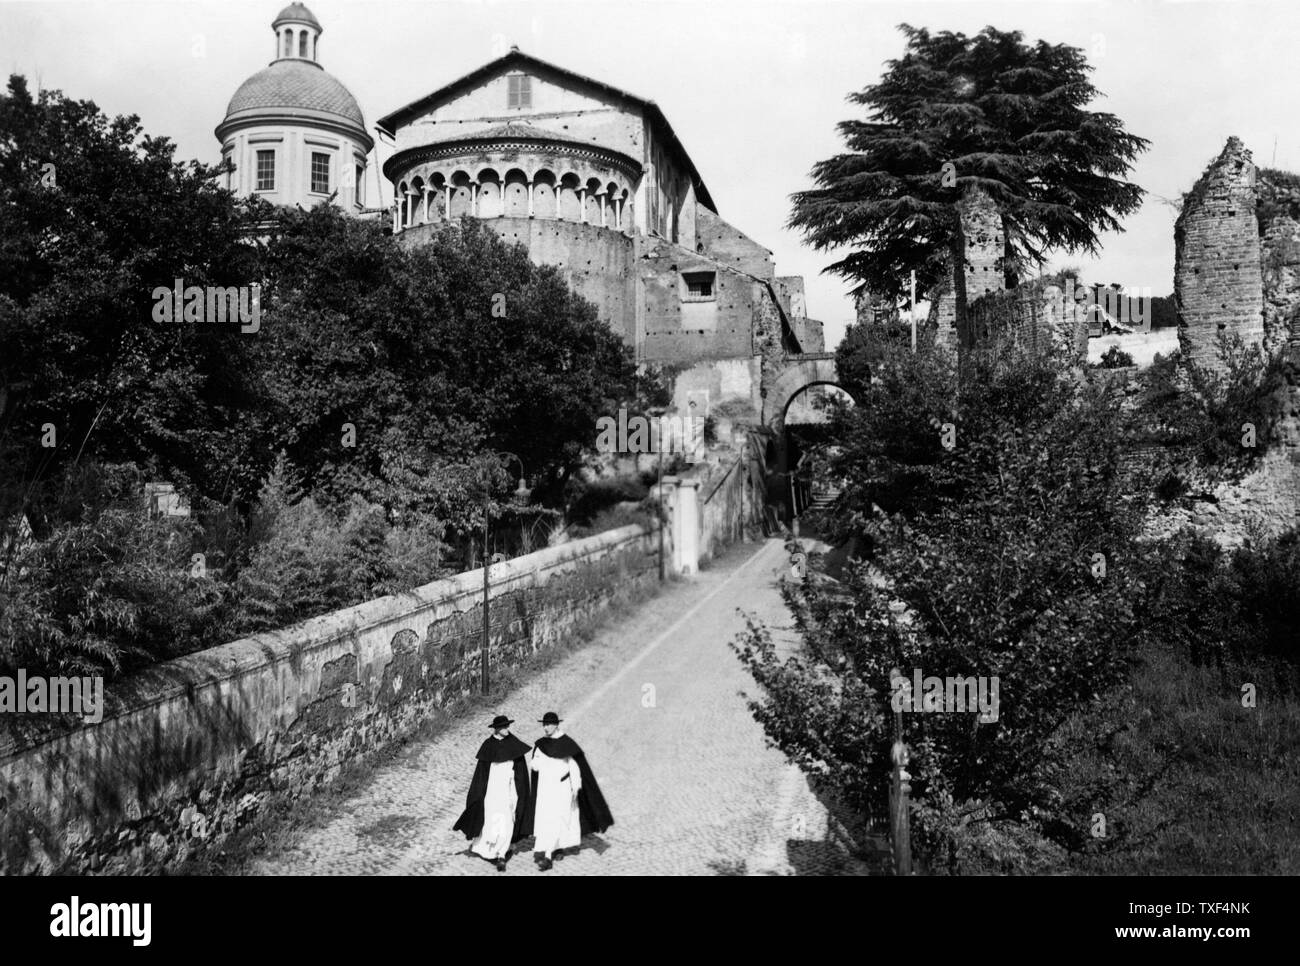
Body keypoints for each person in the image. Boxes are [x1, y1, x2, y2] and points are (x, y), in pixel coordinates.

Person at [521, 711, 614, 870]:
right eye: (544, 724)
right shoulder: (541, 744)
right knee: (547, 820)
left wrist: (575, 787)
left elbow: (575, 767)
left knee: (559, 820)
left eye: (549, 724)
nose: (546, 727)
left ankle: (548, 856)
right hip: (545, 789)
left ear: (556, 725)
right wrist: (538, 763)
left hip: (562, 789)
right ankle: (555, 848)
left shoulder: (566, 743)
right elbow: (534, 764)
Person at [452, 714, 531, 871]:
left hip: (508, 791)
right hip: (491, 793)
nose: (507, 729)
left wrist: (519, 794)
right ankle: (486, 850)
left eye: (507, 726)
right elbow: (481, 774)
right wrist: (478, 795)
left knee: (507, 820)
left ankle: (501, 854)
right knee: (489, 821)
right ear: (496, 729)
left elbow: (520, 774)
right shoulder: (488, 745)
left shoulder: (514, 744)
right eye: (503, 727)